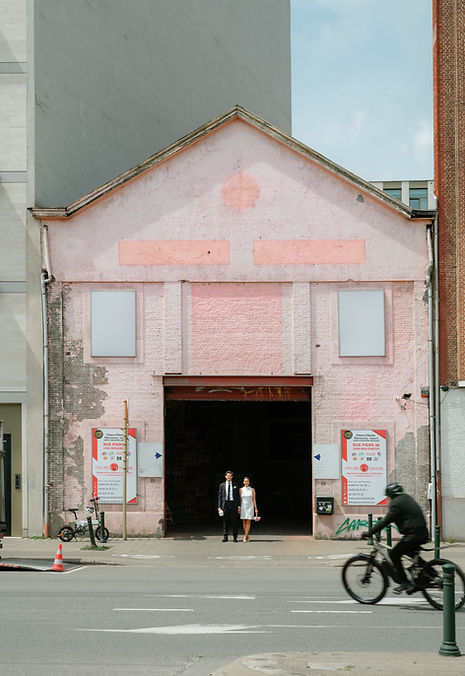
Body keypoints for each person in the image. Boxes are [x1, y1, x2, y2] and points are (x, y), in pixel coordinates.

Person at [361, 482, 429, 594]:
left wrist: (369, 532)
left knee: (394, 555)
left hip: (413, 535)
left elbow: (385, 521)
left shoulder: (396, 504)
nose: (388, 500)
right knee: (410, 553)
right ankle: (429, 574)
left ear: (391, 495)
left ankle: (405, 583)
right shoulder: (405, 498)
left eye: (388, 497)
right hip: (421, 533)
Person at [217, 470, 241, 542]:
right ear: (225, 476)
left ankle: (235, 537)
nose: (229, 477)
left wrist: (239, 506)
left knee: (234, 521)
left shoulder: (235, 485)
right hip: (225, 504)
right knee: (225, 521)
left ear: (232, 477)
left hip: (233, 504)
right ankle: (225, 537)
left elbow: (238, 497)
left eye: (230, 476)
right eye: (227, 476)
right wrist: (219, 507)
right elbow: (220, 497)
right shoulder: (222, 485)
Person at [239, 476, 258, 542]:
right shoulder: (241, 489)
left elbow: (254, 499)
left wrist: (256, 508)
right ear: (243, 482)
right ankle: (247, 535)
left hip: (250, 506)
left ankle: (245, 536)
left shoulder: (252, 490)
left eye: (247, 481)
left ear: (249, 482)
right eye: (245, 481)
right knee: (244, 521)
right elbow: (240, 500)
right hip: (243, 506)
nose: (246, 482)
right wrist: (239, 507)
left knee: (248, 520)